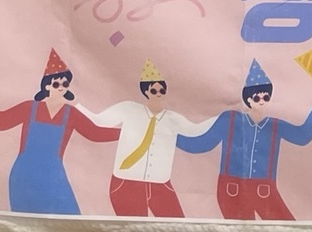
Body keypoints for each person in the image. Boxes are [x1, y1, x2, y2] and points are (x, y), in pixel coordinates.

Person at [0, 50, 118, 215]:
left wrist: (125, 133)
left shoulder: (70, 113)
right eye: (56, 84)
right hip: (24, 175)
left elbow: (94, 133)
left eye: (65, 84)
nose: (61, 88)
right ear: (47, 86)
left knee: (70, 220)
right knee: (27, 222)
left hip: (54, 176)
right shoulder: (29, 108)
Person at [176, 58, 312, 221]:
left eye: (266, 97)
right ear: (248, 99)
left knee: (287, 226)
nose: (262, 101)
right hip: (231, 188)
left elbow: (303, 135)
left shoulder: (274, 125)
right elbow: (203, 143)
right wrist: (173, 137)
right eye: (257, 98)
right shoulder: (230, 119)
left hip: (264, 188)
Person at [74, 59, 217, 217]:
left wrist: (221, 117)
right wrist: (75, 104)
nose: (158, 94)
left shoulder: (172, 118)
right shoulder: (129, 109)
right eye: (154, 90)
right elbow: (99, 120)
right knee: (132, 226)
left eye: (162, 90)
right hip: (126, 182)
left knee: (177, 224)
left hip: (160, 184)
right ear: (145, 91)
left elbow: (195, 130)